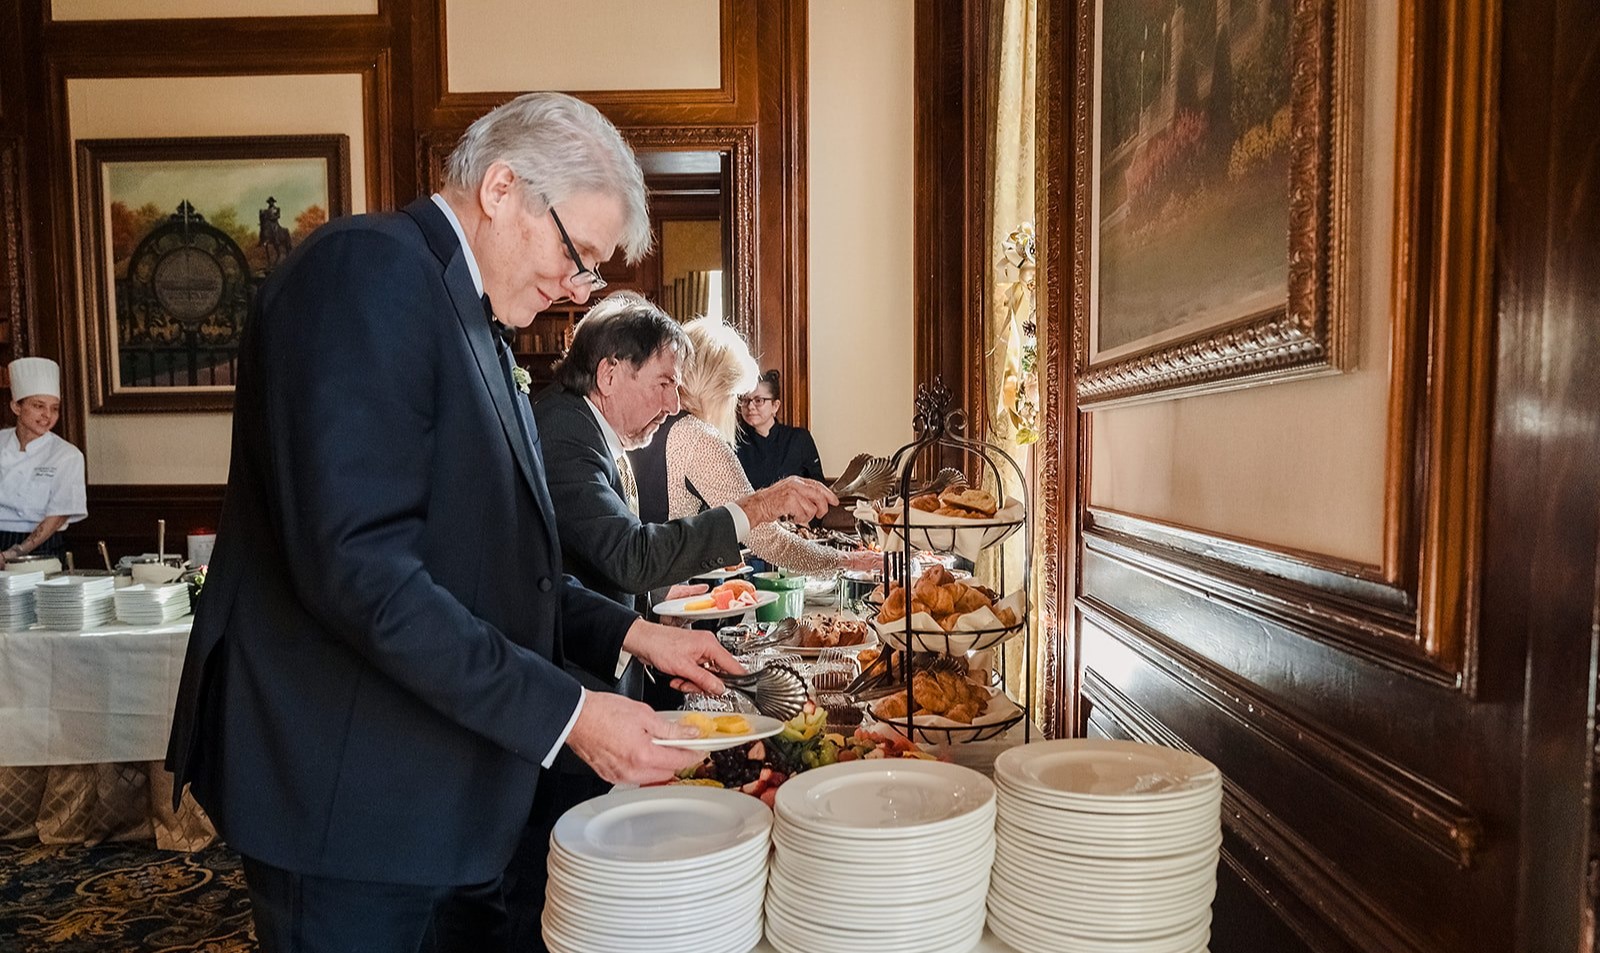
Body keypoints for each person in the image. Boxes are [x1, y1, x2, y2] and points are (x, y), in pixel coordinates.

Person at [164, 92, 741, 953]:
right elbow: (361, 570)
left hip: (437, 787)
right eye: (576, 252)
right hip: (353, 799)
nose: (574, 288)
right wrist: (570, 712)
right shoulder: (367, 270)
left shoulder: (465, 309)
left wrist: (634, 633)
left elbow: (490, 559)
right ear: (502, 188)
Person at [519, 291, 835, 951]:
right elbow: (627, 556)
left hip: (605, 670)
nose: (673, 401)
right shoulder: (565, 430)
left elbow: (579, 577)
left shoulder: (591, 429)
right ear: (609, 374)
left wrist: (652, 641)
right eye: (663, 383)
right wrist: (756, 507)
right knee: (562, 891)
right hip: (567, 696)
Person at [632, 318, 878, 575]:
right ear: (719, 389)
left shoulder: (649, 423)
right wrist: (843, 561)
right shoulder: (697, 437)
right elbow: (769, 541)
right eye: (735, 397)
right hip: (668, 591)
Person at [0, 357, 86, 565]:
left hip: (41, 546)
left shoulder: (66, 454)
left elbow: (57, 517)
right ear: (16, 407)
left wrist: (12, 554)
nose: (47, 415)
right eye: (39, 406)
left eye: (54, 408)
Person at [736, 368, 826, 489]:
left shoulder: (799, 439)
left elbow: (818, 487)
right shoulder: (734, 442)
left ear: (775, 406)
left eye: (758, 400)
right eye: (745, 400)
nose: (750, 406)